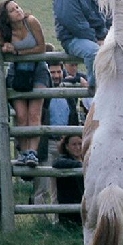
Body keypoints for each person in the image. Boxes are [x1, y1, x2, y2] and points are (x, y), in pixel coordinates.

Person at [0, 0, 49, 167]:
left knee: (34, 113)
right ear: (6, 17)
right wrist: (6, 48)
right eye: (12, 10)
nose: (18, 10)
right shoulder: (4, 32)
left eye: (17, 7)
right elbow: (1, 47)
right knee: (20, 115)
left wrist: (18, 52)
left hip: (37, 70)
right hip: (17, 72)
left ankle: (33, 152)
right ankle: (23, 152)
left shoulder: (31, 22)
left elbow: (42, 47)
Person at [53, 0, 109, 92]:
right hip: (73, 39)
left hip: (96, 37)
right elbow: (76, 25)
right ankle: (95, 87)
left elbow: (104, 16)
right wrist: (97, 40)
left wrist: (106, 36)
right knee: (94, 52)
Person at [35, 60, 79, 209]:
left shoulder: (68, 93)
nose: (56, 75)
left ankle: (58, 218)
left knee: (60, 184)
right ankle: (40, 219)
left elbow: (73, 116)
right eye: (52, 72)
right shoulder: (42, 92)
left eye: (58, 72)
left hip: (64, 144)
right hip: (47, 142)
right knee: (43, 184)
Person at [52, 134, 85, 226]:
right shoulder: (63, 160)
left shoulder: (88, 159)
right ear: (66, 147)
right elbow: (56, 163)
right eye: (74, 144)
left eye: (80, 144)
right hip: (70, 210)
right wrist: (79, 165)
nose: (78, 147)